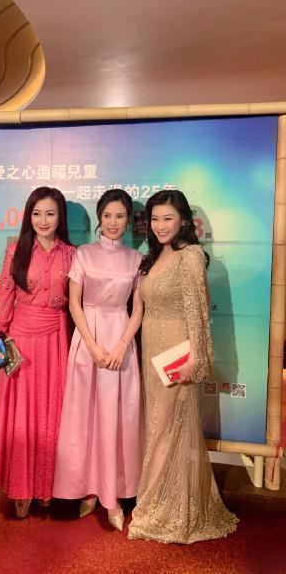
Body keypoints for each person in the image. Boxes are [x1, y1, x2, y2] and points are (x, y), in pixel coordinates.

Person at [128, 189, 238, 543]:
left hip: (176, 353)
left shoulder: (190, 257)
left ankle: (161, 508)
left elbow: (198, 312)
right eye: (155, 219)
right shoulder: (154, 255)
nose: (160, 226)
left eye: (168, 219)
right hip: (151, 351)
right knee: (157, 428)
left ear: (184, 221)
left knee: (167, 428)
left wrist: (196, 359)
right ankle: (159, 501)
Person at [53, 189, 143, 532]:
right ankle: (88, 489)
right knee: (85, 416)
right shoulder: (84, 254)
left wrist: (122, 345)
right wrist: (91, 345)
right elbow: (74, 303)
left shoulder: (136, 259)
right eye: (107, 216)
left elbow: (139, 308)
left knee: (117, 418)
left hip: (120, 337)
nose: (113, 223)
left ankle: (113, 494)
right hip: (87, 339)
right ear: (99, 218)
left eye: (120, 216)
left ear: (128, 220)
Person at [0, 187, 75, 519]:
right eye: (36, 213)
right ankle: (21, 489)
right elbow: (4, 294)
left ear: (60, 217)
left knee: (52, 415)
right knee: (20, 417)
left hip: (56, 341)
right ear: (28, 216)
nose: (43, 220)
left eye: (50, 213)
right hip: (20, 340)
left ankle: (46, 487)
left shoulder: (72, 255)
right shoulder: (16, 250)